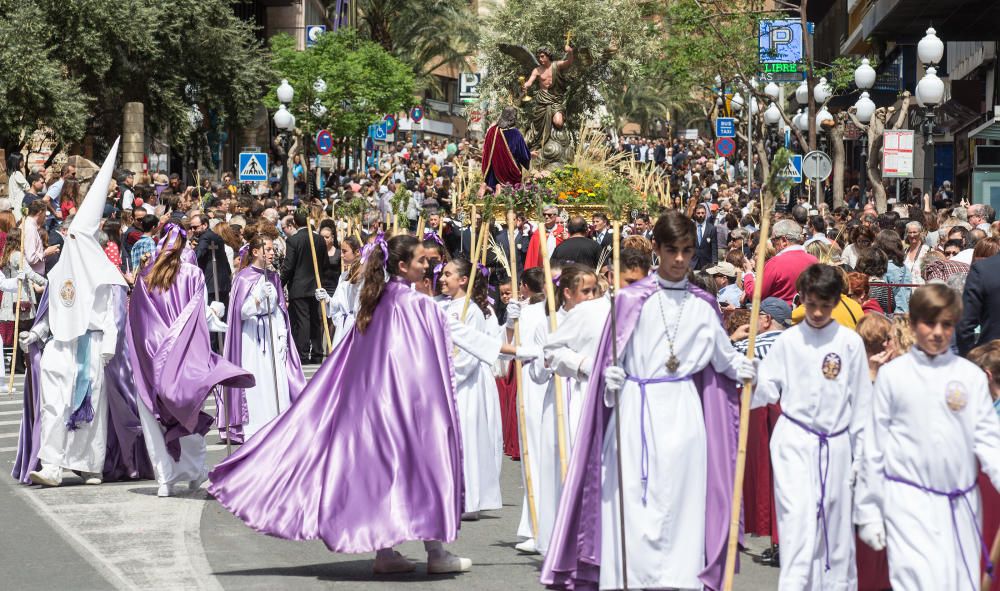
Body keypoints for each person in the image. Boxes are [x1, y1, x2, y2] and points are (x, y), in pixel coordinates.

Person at [209, 235, 495, 575]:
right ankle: (435, 552)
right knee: (423, 469)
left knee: (385, 476)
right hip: (409, 407)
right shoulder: (416, 305)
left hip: (375, 408)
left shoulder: (376, 302)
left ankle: (386, 552)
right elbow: (457, 336)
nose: (427, 265)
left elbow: (354, 356)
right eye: (421, 260)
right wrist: (516, 349)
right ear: (403, 266)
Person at [541, 210, 755, 590]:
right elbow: (609, 358)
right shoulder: (629, 301)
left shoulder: (704, 305)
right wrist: (609, 377)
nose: (678, 259)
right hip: (634, 411)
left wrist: (747, 368)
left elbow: (723, 359)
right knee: (631, 509)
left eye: (687, 251)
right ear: (656, 249)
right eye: (671, 249)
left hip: (685, 417)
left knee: (682, 508)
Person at [855, 284, 1000, 590]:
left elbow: (988, 439)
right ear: (915, 321)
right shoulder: (894, 376)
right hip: (909, 503)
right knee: (916, 582)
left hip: (961, 506)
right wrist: (868, 509)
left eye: (946, 324)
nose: (937, 332)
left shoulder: (970, 376)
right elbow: (874, 446)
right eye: (929, 323)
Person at [19, 140, 132, 487]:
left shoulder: (106, 276)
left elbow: (114, 312)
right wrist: (35, 335)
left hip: (93, 346)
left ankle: (89, 464)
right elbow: (51, 308)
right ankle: (51, 464)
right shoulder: (60, 271)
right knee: (54, 405)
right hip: (61, 345)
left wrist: (110, 344)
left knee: (89, 410)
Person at [752, 264, 872, 589]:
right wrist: (751, 378)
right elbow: (767, 390)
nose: (817, 312)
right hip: (794, 441)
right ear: (802, 299)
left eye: (825, 304)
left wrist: (862, 457)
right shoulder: (788, 341)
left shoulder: (849, 343)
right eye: (812, 304)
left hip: (836, 443)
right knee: (798, 523)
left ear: (835, 302)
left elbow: (861, 404)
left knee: (834, 529)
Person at [128, 222, 254, 497]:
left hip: (151, 355)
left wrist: (149, 350)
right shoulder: (194, 275)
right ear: (184, 246)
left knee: (154, 419)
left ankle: (165, 478)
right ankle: (195, 471)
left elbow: (137, 318)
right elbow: (196, 317)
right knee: (188, 412)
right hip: (183, 356)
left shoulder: (146, 275)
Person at [438, 257, 504, 521]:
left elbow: (469, 353)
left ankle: (470, 497)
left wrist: (447, 374)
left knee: (467, 438)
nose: (442, 278)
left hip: (462, 384)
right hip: (446, 380)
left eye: (448, 274)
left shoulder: (472, 311)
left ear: (463, 280)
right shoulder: (443, 306)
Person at [222, 232, 306, 441]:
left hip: (269, 332)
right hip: (251, 336)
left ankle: (276, 420)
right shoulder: (243, 278)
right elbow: (240, 312)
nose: (271, 253)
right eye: (267, 249)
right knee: (256, 377)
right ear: (256, 251)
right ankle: (254, 425)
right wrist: (259, 298)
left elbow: (279, 311)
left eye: (272, 249)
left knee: (274, 377)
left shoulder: (274, 277)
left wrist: (281, 336)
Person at [280, 211, 329, 363]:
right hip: (316, 285)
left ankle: (302, 354)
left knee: (303, 321)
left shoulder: (293, 240)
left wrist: (280, 283)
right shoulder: (319, 239)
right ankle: (317, 352)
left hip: (299, 286)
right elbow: (325, 263)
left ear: (295, 223)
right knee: (315, 320)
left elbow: (289, 266)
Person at [745, 219, 818, 306]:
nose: (772, 246)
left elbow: (755, 295)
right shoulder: (814, 261)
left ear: (783, 241)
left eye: (773, 241)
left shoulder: (774, 263)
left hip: (780, 317)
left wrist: (748, 274)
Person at [315, 236, 361, 349]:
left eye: (345, 251)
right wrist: (326, 298)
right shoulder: (344, 275)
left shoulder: (364, 276)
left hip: (356, 326)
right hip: (343, 327)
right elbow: (337, 304)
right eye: (341, 251)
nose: (341, 255)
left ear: (357, 252)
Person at [957, 243, 1000, 354]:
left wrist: (971, 360)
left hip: (992, 357)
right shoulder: (982, 269)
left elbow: (965, 325)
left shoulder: (983, 269)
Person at [479, 106, 531, 193]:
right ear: (513, 118)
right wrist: (529, 156)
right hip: (509, 172)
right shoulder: (516, 134)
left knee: (492, 191)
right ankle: (501, 188)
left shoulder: (492, 131)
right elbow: (524, 156)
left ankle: (488, 187)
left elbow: (486, 153)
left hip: (493, 173)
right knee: (511, 191)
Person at [524, 205, 565, 269]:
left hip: (558, 268)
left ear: (556, 215)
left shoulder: (562, 231)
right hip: (541, 268)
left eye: (549, 215)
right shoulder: (538, 232)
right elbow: (532, 255)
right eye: (544, 214)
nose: (546, 217)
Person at [691, 203, 718, 270]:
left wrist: (714, 262)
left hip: (707, 263)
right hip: (692, 263)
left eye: (703, 213)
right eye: (698, 213)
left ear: (705, 214)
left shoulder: (712, 228)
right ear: (695, 214)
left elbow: (714, 247)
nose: (701, 215)